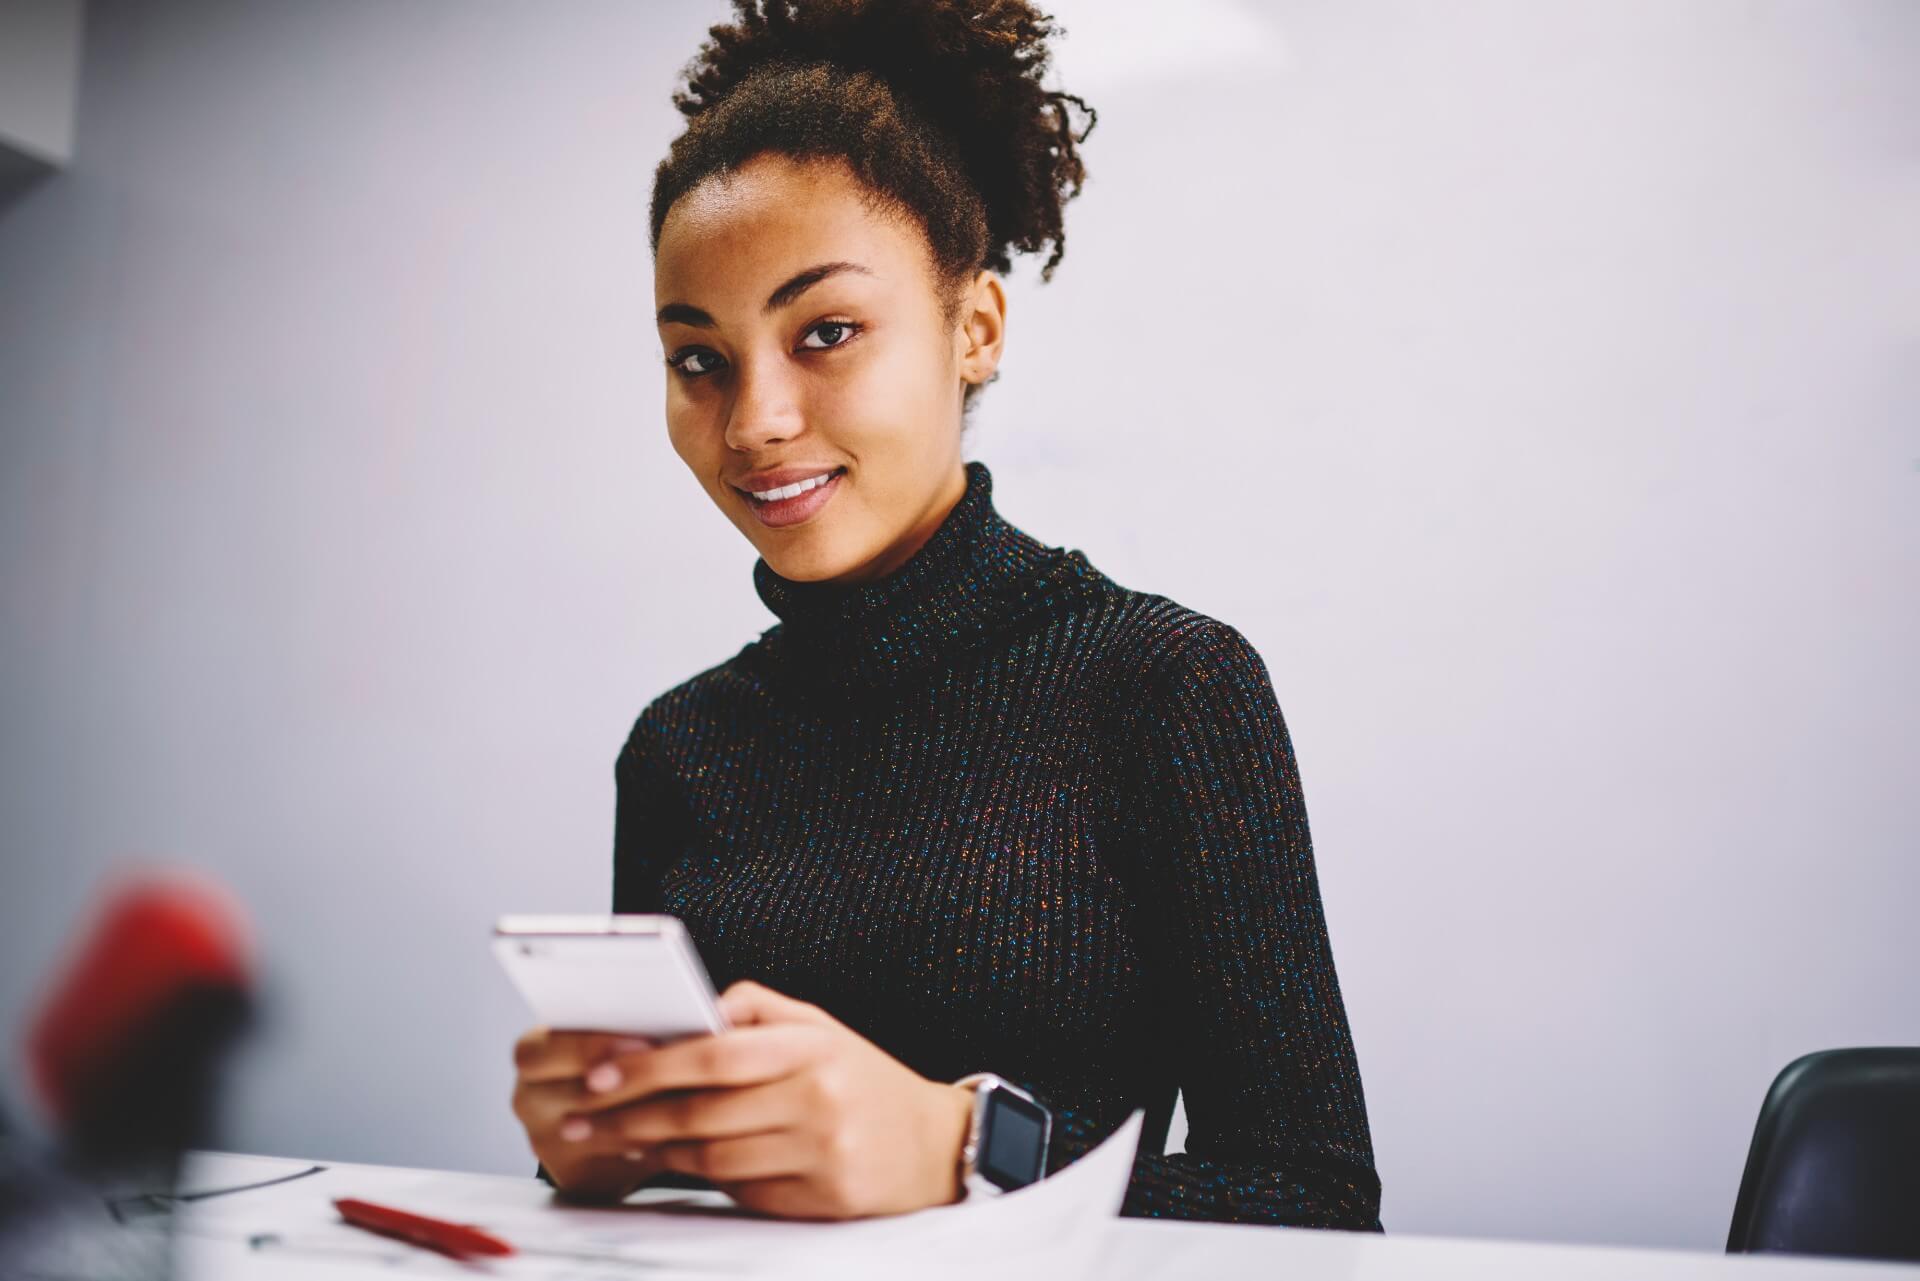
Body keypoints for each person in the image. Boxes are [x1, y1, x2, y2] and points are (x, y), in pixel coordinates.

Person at [510, 0, 1382, 1230]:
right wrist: (601, 1145)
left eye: (826, 333)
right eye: (698, 357)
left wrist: (962, 1145)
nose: (753, 418)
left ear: (974, 329)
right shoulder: (678, 748)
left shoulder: (1163, 686)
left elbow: (1317, 1203)